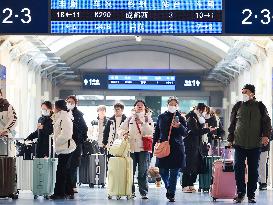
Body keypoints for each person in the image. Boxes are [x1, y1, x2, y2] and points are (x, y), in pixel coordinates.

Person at [228, 84, 271, 203]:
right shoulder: (238, 106)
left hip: (255, 144)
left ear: (252, 93)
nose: (243, 94)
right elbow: (232, 124)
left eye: (245, 92)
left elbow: (267, 122)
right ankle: (241, 193)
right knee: (238, 168)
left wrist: (266, 135)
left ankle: (251, 194)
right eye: (242, 92)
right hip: (239, 143)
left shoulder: (260, 106)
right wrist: (230, 138)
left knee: (253, 170)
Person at [153, 96, 187, 202]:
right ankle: (169, 187)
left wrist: (179, 126)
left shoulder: (180, 118)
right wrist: (154, 145)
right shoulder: (161, 117)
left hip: (177, 148)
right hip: (163, 147)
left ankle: (171, 193)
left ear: (178, 106)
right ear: (167, 105)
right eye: (171, 104)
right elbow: (157, 132)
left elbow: (185, 133)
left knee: (174, 172)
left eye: (175, 104)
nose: (173, 106)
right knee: (162, 171)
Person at [120, 100, 154, 200]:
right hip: (132, 148)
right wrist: (124, 134)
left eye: (141, 105)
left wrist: (143, 123)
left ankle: (143, 192)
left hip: (144, 148)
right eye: (137, 105)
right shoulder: (130, 118)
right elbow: (121, 129)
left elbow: (150, 132)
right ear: (134, 107)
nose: (139, 106)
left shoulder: (148, 118)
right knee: (130, 171)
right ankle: (131, 192)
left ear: (144, 107)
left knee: (142, 171)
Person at [182, 103, 215, 193]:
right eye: (205, 111)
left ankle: (191, 184)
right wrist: (208, 130)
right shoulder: (191, 118)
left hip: (197, 145)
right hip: (190, 145)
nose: (205, 113)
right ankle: (185, 185)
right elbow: (195, 131)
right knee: (188, 165)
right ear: (200, 110)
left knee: (195, 166)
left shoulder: (198, 119)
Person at [50, 100, 76, 200]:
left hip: (65, 147)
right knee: (65, 170)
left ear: (58, 108)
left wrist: (56, 141)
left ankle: (59, 193)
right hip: (63, 147)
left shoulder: (64, 117)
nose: (53, 109)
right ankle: (69, 191)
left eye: (54, 107)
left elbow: (66, 134)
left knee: (61, 171)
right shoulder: (61, 117)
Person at [66, 95, 88, 193]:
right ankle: (66, 185)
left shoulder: (79, 114)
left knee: (74, 164)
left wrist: (81, 139)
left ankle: (73, 185)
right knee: (66, 164)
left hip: (76, 143)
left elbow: (84, 128)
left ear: (75, 104)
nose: (70, 104)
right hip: (65, 143)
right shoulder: (63, 113)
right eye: (68, 102)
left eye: (72, 102)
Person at [0, 89, 17, 157]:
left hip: (5, 139)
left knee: (5, 163)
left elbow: (14, 119)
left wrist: (5, 130)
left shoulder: (7, 106)